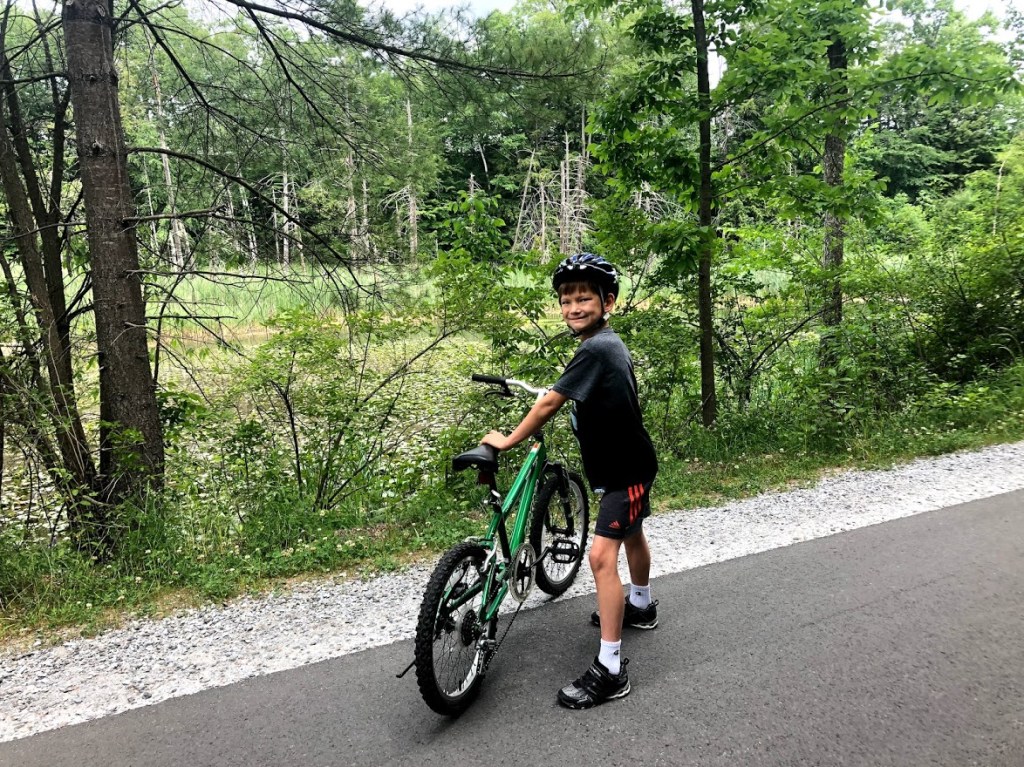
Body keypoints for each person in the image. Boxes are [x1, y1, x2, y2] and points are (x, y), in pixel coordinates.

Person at [480, 252, 659, 709]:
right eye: (566, 300)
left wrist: (507, 440)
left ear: (608, 302)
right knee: (633, 532)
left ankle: (611, 670)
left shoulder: (596, 348)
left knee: (600, 557)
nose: (573, 307)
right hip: (629, 465)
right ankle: (641, 605)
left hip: (625, 471)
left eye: (584, 299)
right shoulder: (605, 344)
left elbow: (548, 405)